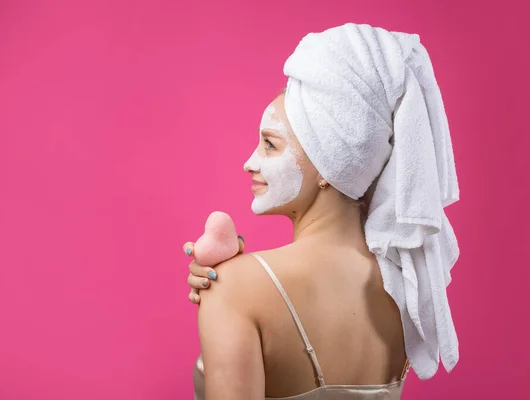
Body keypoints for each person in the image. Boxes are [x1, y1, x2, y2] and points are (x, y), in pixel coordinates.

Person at [183, 23, 460, 400]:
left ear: (326, 164)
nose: (250, 162)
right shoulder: (407, 288)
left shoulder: (237, 288)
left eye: (269, 144)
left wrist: (227, 288)